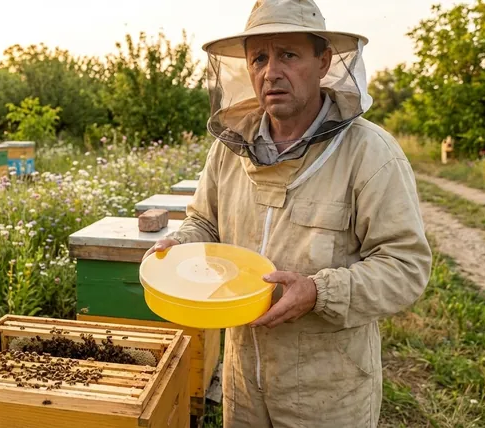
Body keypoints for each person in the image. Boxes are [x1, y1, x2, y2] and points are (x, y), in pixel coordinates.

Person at [143, 0, 433, 426]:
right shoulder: (228, 149)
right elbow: (204, 222)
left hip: (328, 395)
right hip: (242, 386)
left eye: (288, 55)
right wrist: (180, 245)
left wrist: (319, 292)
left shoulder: (369, 153)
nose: (270, 71)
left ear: (324, 61)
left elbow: (406, 267)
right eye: (259, 57)